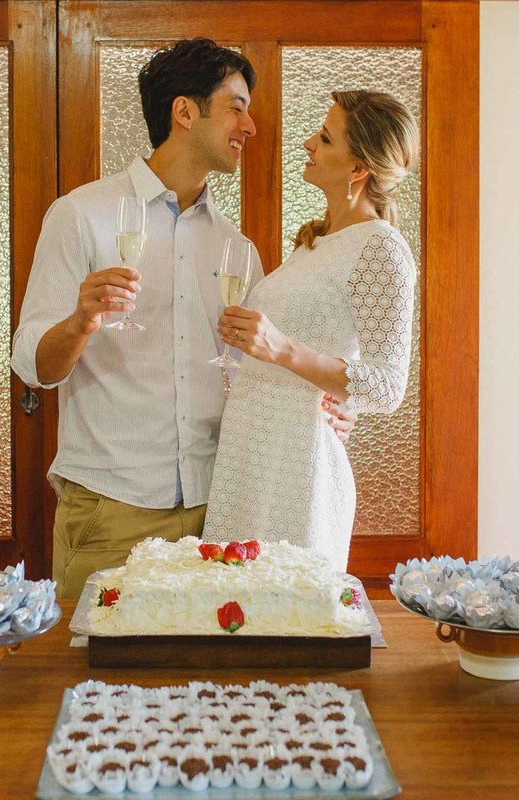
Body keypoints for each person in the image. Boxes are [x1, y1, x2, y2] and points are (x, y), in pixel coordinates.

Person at [11, 40, 357, 600]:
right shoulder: (81, 216)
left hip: (217, 515)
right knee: (94, 680)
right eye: (236, 106)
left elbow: (252, 371)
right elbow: (35, 366)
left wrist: (321, 410)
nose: (251, 124)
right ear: (185, 111)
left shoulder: (236, 248)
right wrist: (80, 320)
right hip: (109, 513)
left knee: (202, 681)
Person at [203, 90, 420, 570]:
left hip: (299, 472)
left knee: (286, 623)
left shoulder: (381, 249)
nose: (308, 143)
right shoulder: (318, 244)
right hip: (252, 461)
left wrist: (282, 349)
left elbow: (387, 387)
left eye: (324, 138)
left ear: (358, 169)